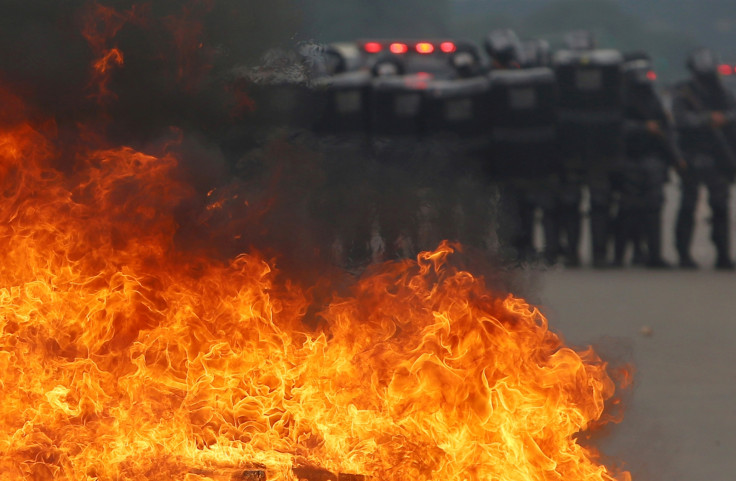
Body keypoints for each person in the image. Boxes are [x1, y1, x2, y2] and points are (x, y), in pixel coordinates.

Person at [486, 29, 561, 263]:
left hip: (511, 156)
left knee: (515, 206)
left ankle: (518, 250)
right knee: (533, 205)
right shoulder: (547, 84)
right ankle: (546, 251)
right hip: (539, 155)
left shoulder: (496, 82)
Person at [552, 32, 625, 267]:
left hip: (570, 151)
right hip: (602, 151)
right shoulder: (611, 72)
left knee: (572, 202)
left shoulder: (561, 72)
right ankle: (599, 254)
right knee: (599, 203)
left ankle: (574, 254)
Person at [613, 54, 682, 268]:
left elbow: (666, 129)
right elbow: (614, 126)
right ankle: (619, 256)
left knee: (653, 210)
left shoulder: (653, 98)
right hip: (628, 160)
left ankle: (654, 255)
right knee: (628, 211)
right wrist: (642, 128)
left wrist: (675, 158)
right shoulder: (619, 98)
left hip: (653, 160)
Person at [672, 47, 736, 270]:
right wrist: (708, 119)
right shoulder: (684, 92)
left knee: (720, 206)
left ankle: (723, 255)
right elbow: (680, 120)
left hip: (719, 157)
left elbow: (732, 113)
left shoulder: (723, 92)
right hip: (692, 154)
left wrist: (723, 118)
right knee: (688, 205)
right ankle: (683, 255)